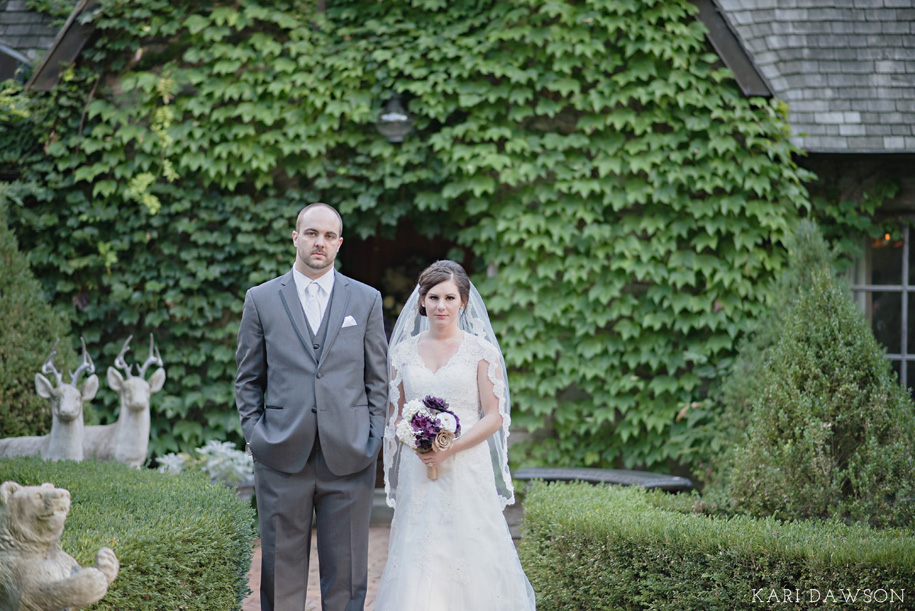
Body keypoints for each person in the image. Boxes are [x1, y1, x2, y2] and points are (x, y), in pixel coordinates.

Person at [235, 203, 388, 611]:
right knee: (280, 577)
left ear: (339, 243)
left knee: (348, 576)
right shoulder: (262, 299)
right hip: (282, 455)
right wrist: (257, 434)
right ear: (295, 237)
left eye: (328, 236)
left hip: (350, 455)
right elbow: (248, 378)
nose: (319, 242)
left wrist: (371, 439)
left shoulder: (366, 299)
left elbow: (378, 379)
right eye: (311, 233)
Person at [375, 260, 537, 610]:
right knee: (418, 550)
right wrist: (416, 439)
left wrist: (449, 447)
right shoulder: (402, 353)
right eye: (433, 297)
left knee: (469, 547)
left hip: (466, 466)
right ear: (421, 301)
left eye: (450, 298)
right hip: (419, 467)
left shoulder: (481, 352)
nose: (441, 306)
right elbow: (397, 414)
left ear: (463, 302)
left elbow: (494, 417)